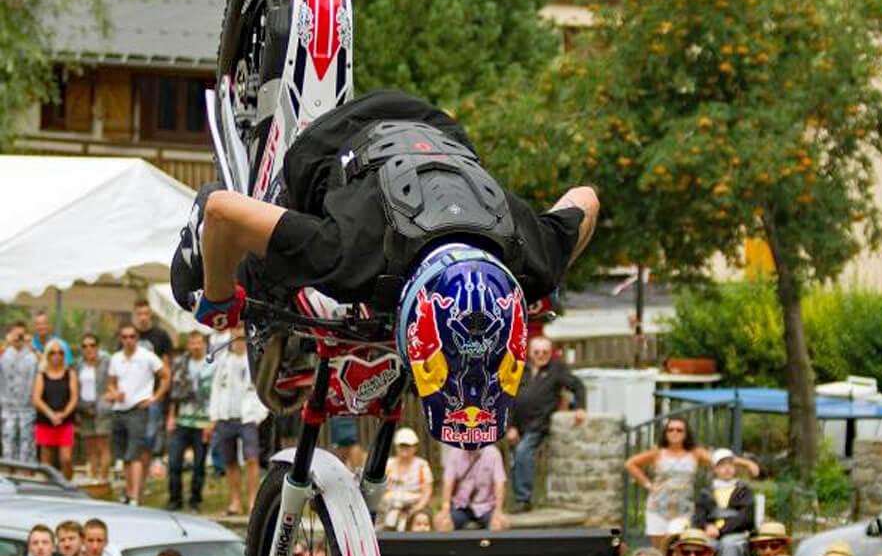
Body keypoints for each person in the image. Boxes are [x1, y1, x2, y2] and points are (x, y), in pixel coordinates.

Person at [169, 90, 599, 457]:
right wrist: (221, 297)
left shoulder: (530, 259)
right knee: (225, 283)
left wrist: (546, 280)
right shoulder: (350, 260)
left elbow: (585, 199)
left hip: (438, 129)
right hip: (331, 138)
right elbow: (222, 210)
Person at [506, 336, 586, 513]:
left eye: (545, 352)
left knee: (523, 452)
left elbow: (578, 386)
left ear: (551, 353)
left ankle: (523, 499)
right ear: (529, 352)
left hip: (539, 423)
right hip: (518, 425)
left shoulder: (557, 370)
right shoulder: (521, 369)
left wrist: (580, 408)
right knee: (515, 460)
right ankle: (517, 497)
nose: (541, 355)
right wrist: (510, 426)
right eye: (537, 352)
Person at [106, 322, 168, 506]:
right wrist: (114, 392)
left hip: (139, 409)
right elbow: (111, 382)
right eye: (124, 337)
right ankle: (129, 491)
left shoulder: (147, 356)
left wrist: (155, 398)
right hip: (119, 408)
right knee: (124, 455)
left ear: (137, 338)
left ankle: (135, 496)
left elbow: (165, 375)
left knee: (135, 454)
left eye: (132, 337)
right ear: (120, 339)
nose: (128, 340)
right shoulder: (116, 358)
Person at [209, 327, 267, 517]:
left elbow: (261, 388)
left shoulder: (254, 361)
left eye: (241, 338)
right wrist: (214, 416)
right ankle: (235, 501)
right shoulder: (223, 361)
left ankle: (252, 501)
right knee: (230, 461)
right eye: (234, 338)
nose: (238, 341)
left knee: (251, 459)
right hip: (226, 416)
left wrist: (259, 414)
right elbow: (216, 389)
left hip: (247, 417)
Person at [625, 417, 711, 540]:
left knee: (677, 544)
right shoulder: (657, 453)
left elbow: (720, 460)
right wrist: (648, 484)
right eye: (670, 430)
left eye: (679, 430)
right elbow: (630, 464)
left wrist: (747, 464)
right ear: (665, 433)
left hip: (683, 508)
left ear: (686, 434)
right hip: (657, 506)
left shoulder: (695, 453)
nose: (674, 433)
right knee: (659, 549)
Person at [166, 330, 213, 513]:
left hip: (203, 422)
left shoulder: (212, 364)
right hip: (182, 420)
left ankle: (195, 500)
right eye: (192, 343)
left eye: (198, 342)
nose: (195, 346)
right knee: (174, 462)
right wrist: (171, 417)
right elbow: (174, 394)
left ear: (204, 344)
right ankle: (175, 499)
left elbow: (215, 394)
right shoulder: (181, 364)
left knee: (199, 464)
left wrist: (212, 421)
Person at [693, 446, 761, 556]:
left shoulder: (743, 490)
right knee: (703, 546)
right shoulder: (706, 492)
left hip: (737, 533)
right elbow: (698, 517)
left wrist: (720, 530)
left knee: (729, 544)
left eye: (730, 464)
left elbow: (745, 518)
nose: (727, 468)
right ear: (715, 469)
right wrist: (707, 526)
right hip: (712, 535)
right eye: (722, 464)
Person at [133, 299, 174, 494]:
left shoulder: (161, 336)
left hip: (152, 396)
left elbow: (167, 368)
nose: (142, 317)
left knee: (148, 441)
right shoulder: (128, 335)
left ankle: (142, 483)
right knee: (132, 442)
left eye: (145, 313)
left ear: (150, 315)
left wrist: (160, 395)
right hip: (131, 397)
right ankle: (133, 485)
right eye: (139, 313)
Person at [32, 339, 78, 480]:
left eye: (60, 353)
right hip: (45, 421)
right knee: (46, 460)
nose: (56, 356)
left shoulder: (70, 374)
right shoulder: (41, 375)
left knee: (66, 459)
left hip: (65, 421)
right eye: (52, 353)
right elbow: (36, 399)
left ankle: (67, 485)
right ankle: (48, 488)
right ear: (47, 355)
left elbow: (74, 397)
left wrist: (63, 414)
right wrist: (50, 414)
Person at [436, 442, 506, 532]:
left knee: (498, 525)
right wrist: (445, 508)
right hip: (461, 506)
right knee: (443, 523)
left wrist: (498, 510)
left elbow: (499, 483)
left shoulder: (493, 453)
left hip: (486, 506)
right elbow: (448, 482)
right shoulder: (454, 453)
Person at [378, 426, 433, 531]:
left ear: (415, 447)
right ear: (396, 446)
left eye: (408, 446)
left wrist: (416, 509)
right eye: (402, 445)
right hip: (389, 505)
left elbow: (427, 492)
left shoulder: (422, 465)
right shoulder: (388, 464)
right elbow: (380, 489)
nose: (404, 449)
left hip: (413, 505)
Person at [0, 319, 39, 464]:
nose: (18, 338)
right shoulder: (3, 355)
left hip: (27, 409)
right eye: (15, 335)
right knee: (8, 446)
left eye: (21, 335)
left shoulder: (32, 358)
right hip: (7, 409)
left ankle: (26, 479)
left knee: (26, 448)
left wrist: (34, 349)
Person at [75, 333, 112, 482]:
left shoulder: (106, 362)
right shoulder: (79, 364)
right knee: (89, 447)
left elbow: (113, 382)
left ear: (98, 346)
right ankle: (93, 478)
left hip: (102, 408)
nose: (89, 348)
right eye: (85, 346)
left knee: (103, 446)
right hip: (85, 409)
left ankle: (103, 479)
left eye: (92, 345)